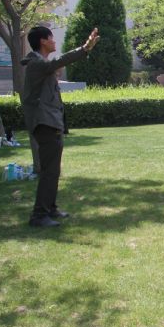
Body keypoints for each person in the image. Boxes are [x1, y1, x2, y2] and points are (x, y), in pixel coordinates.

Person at [21, 26, 99, 227]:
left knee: (53, 170)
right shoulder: (37, 63)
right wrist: (85, 48)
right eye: (51, 38)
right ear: (43, 41)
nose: (54, 41)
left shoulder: (41, 64)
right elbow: (59, 61)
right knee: (49, 171)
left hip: (50, 123)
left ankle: (50, 208)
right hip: (45, 124)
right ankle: (39, 216)